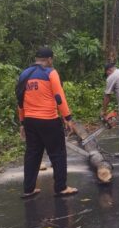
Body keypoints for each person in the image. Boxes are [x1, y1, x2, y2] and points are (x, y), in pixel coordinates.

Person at [16, 47, 78, 198]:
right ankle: (61, 187)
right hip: (48, 120)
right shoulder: (51, 72)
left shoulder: (24, 74)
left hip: (30, 121)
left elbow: (20, 101)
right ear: (49, 59)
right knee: (57, 153)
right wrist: (68, 118)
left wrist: (22, 123)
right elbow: (59, 97)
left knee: (32, 154)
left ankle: (28, 189)